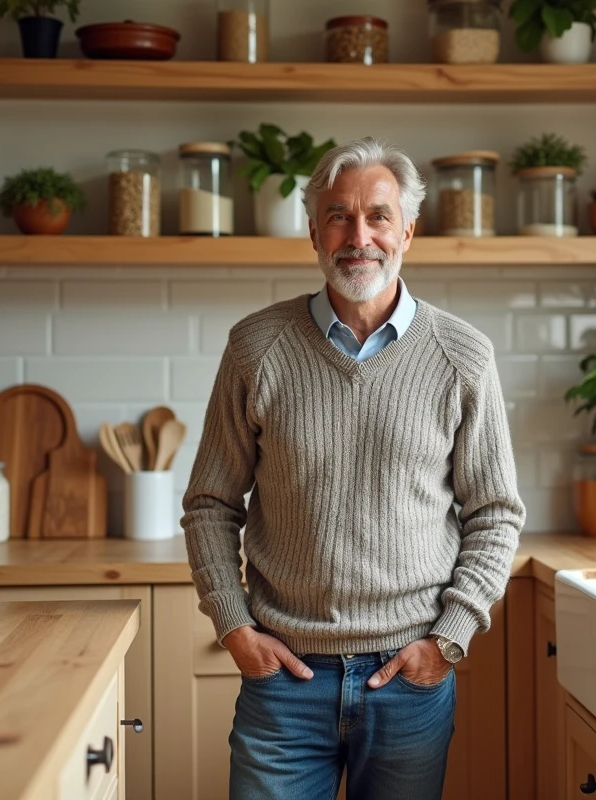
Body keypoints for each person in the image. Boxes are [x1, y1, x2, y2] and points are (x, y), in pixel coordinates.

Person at [181, 136, 525, 800]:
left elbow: (495, 515)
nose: (358, 234)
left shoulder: (463, 356)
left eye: (378, 215)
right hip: (283, 678)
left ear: (408, 231)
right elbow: (211, 505)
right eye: (338, 215)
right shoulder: (257, 347)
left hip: (409, 679)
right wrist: (233, 624)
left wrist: (447, 640)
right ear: (313, 231)